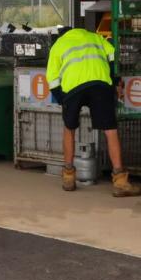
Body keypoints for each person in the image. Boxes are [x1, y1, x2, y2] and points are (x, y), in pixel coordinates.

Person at [47, 26, 140, 197]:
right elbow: (112, 55)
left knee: (69, 129)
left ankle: (68, 177)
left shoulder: (58, 44)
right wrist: (115, 80)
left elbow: (52, 78)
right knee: (110, 130)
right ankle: (120, 181)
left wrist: (62, 99)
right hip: (100, 84)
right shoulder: (95, 37)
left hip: (73, 88)